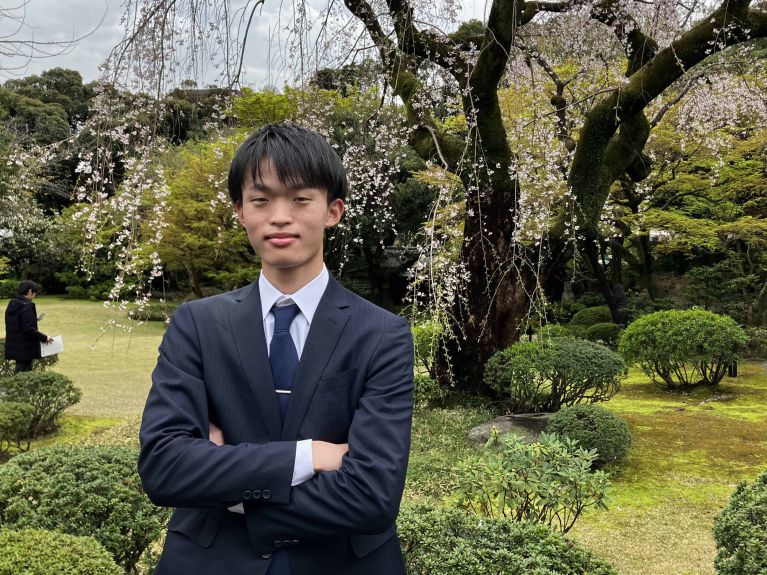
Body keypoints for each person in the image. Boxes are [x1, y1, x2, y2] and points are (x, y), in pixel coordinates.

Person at [138, 124, 414, 575]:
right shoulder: (197, 324)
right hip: (211, 561)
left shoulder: (382, 334)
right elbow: (165, 466)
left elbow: (373, 495)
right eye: (261, 200)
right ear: (240, 213)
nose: (279, 216)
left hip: (342, 562)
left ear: (333, 211)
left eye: (301, 199)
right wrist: (309, 456)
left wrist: (233, 496)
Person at [4, 280, 53, 373]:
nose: (35, 296)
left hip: (15, 344)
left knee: (21, 372)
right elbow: (29, 329)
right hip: (24, 348)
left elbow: (18, 322)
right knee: (22, 375)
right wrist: (45, 337)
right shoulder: (26, 306)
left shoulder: (12, 304)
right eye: (35, 293)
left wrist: (34, 319)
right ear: (30, 291)